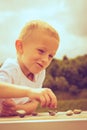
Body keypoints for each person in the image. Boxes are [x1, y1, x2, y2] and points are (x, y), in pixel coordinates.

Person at [0, 20, 60, 116]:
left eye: (50, 56)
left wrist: (16, 109)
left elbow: (33, 104)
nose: (45, 59)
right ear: (20, 47)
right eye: (41, 51)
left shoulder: (40, 73)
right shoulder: (11, 67)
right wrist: (29, 92)